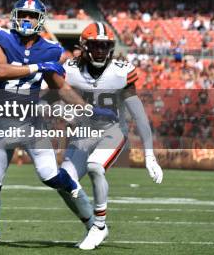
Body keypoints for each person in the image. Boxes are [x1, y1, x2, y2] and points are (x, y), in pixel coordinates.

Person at [0, 0, 95, 248]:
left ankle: (93, 222)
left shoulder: (51, 49)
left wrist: (88, 109)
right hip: (0, 122)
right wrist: (38, 67)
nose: (27, 19)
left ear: (40, 20)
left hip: (31, 123)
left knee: (50, 176)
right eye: (23, 14)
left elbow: (61, 88)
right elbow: (0, 71)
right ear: (15, 16)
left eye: (33, 16)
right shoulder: (1, 38)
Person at [56, 22, 163, 250]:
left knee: (96, 166)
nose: (101, 50)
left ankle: (100, 224)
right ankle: (93, 226)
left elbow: (139, 115)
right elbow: (55, 97)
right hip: (84, 133)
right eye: (96, 45)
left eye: (106, 45)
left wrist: (150, 154)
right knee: (63, 181)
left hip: (112, 131)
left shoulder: (120, 72)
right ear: (84, 46)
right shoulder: (70, 69)